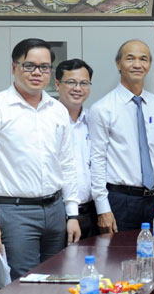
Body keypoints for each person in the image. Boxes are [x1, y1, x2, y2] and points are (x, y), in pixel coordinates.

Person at [0, 38, 80, 280]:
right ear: (14, 68)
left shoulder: (58, 110)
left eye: (44, 67)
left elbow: (67, 165)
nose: (37, 72)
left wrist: (71, 214)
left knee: (56, 280)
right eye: (29, 65)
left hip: (55, 211)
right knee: (24, 284)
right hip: (14, 213)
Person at [89, 40, 154, 233]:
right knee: (119, 260)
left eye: (144, 59)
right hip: (120, 201)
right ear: (118, 64)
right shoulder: (103, 108)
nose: (137, 64)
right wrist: (102, 209)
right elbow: (97, 160)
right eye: (130, 58)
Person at [55, 58, 98, 239]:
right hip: (57, 212)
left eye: (84, 83)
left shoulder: (94, 119)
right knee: (56, 266)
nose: (78, 88)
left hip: (90, 210)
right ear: (57, 84)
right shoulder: (48, 119)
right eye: (71, 82)